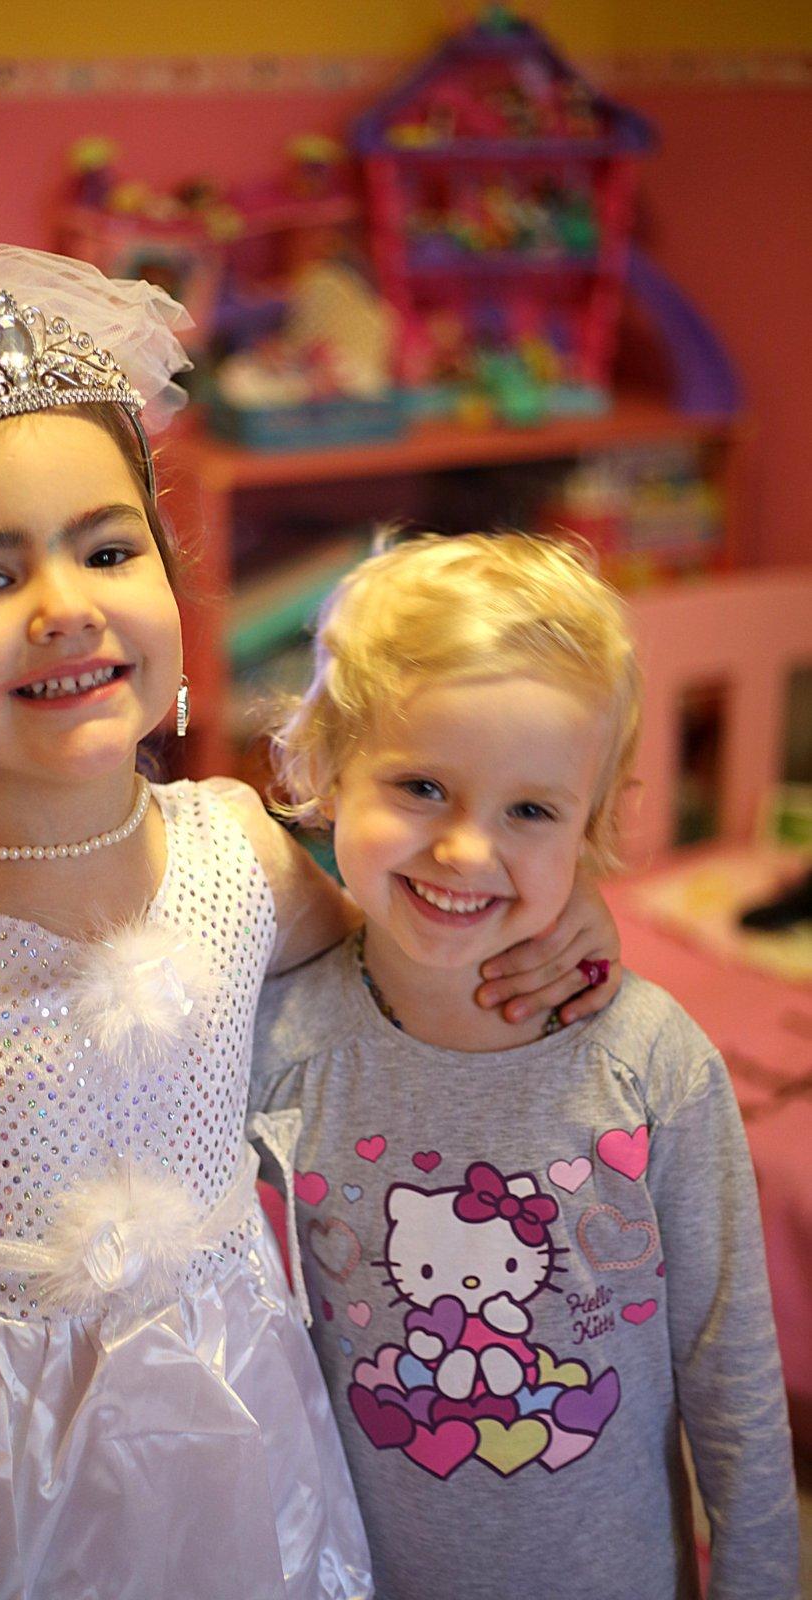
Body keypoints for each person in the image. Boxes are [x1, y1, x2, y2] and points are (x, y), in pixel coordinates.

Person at [0, 247, 616, 1599]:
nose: (63, 608)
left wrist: (551, 904)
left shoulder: (239, 851)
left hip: (210, 1424)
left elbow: (405, 963)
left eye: (106, 550)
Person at [250, 532, 799, 1600]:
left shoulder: (653, 1064)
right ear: (322, 767)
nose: (466, 850)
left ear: (592, 825)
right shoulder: (271, 1044)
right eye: (420, 785)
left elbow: (730, 1375)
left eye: (529, 811)